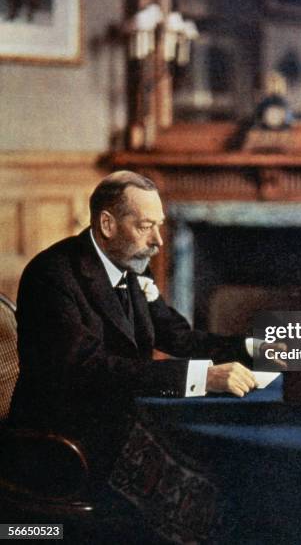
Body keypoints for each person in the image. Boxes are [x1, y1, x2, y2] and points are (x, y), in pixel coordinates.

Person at [8, 170, 264, 542]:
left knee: (225, 468)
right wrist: (202, 378)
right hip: (65, 445)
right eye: (146, 226)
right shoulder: (52, 276)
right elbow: (88, 368)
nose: (158, 240)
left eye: (159, 226)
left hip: (121, 423)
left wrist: (256, 348)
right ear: (107, 224)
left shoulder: (127, 267)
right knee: (211, 484)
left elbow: (180, 337)